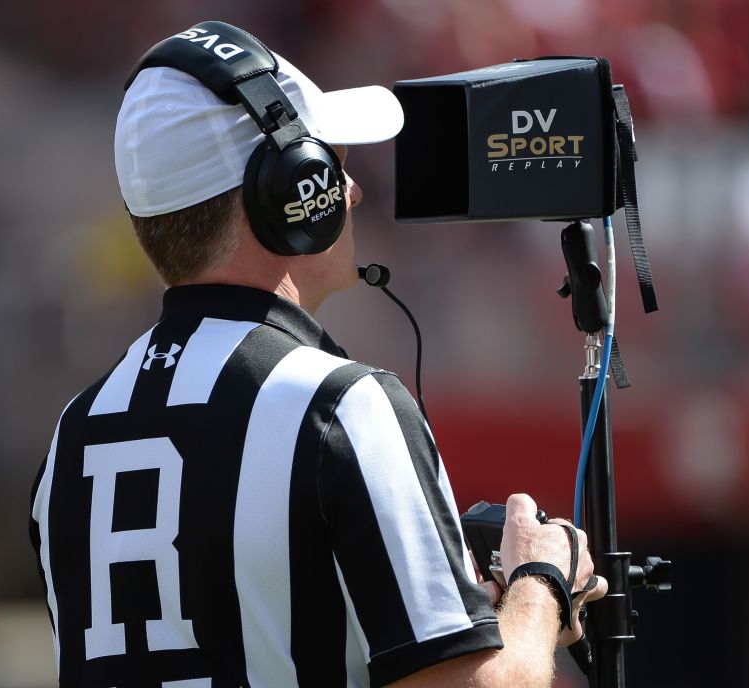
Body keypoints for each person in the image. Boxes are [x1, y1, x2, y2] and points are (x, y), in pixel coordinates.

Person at [30, 21, 605, 688]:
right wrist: (541, 582)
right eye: (332, 160)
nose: (352, 189)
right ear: (289, 190)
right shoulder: (339, 406)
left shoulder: (74, 431)